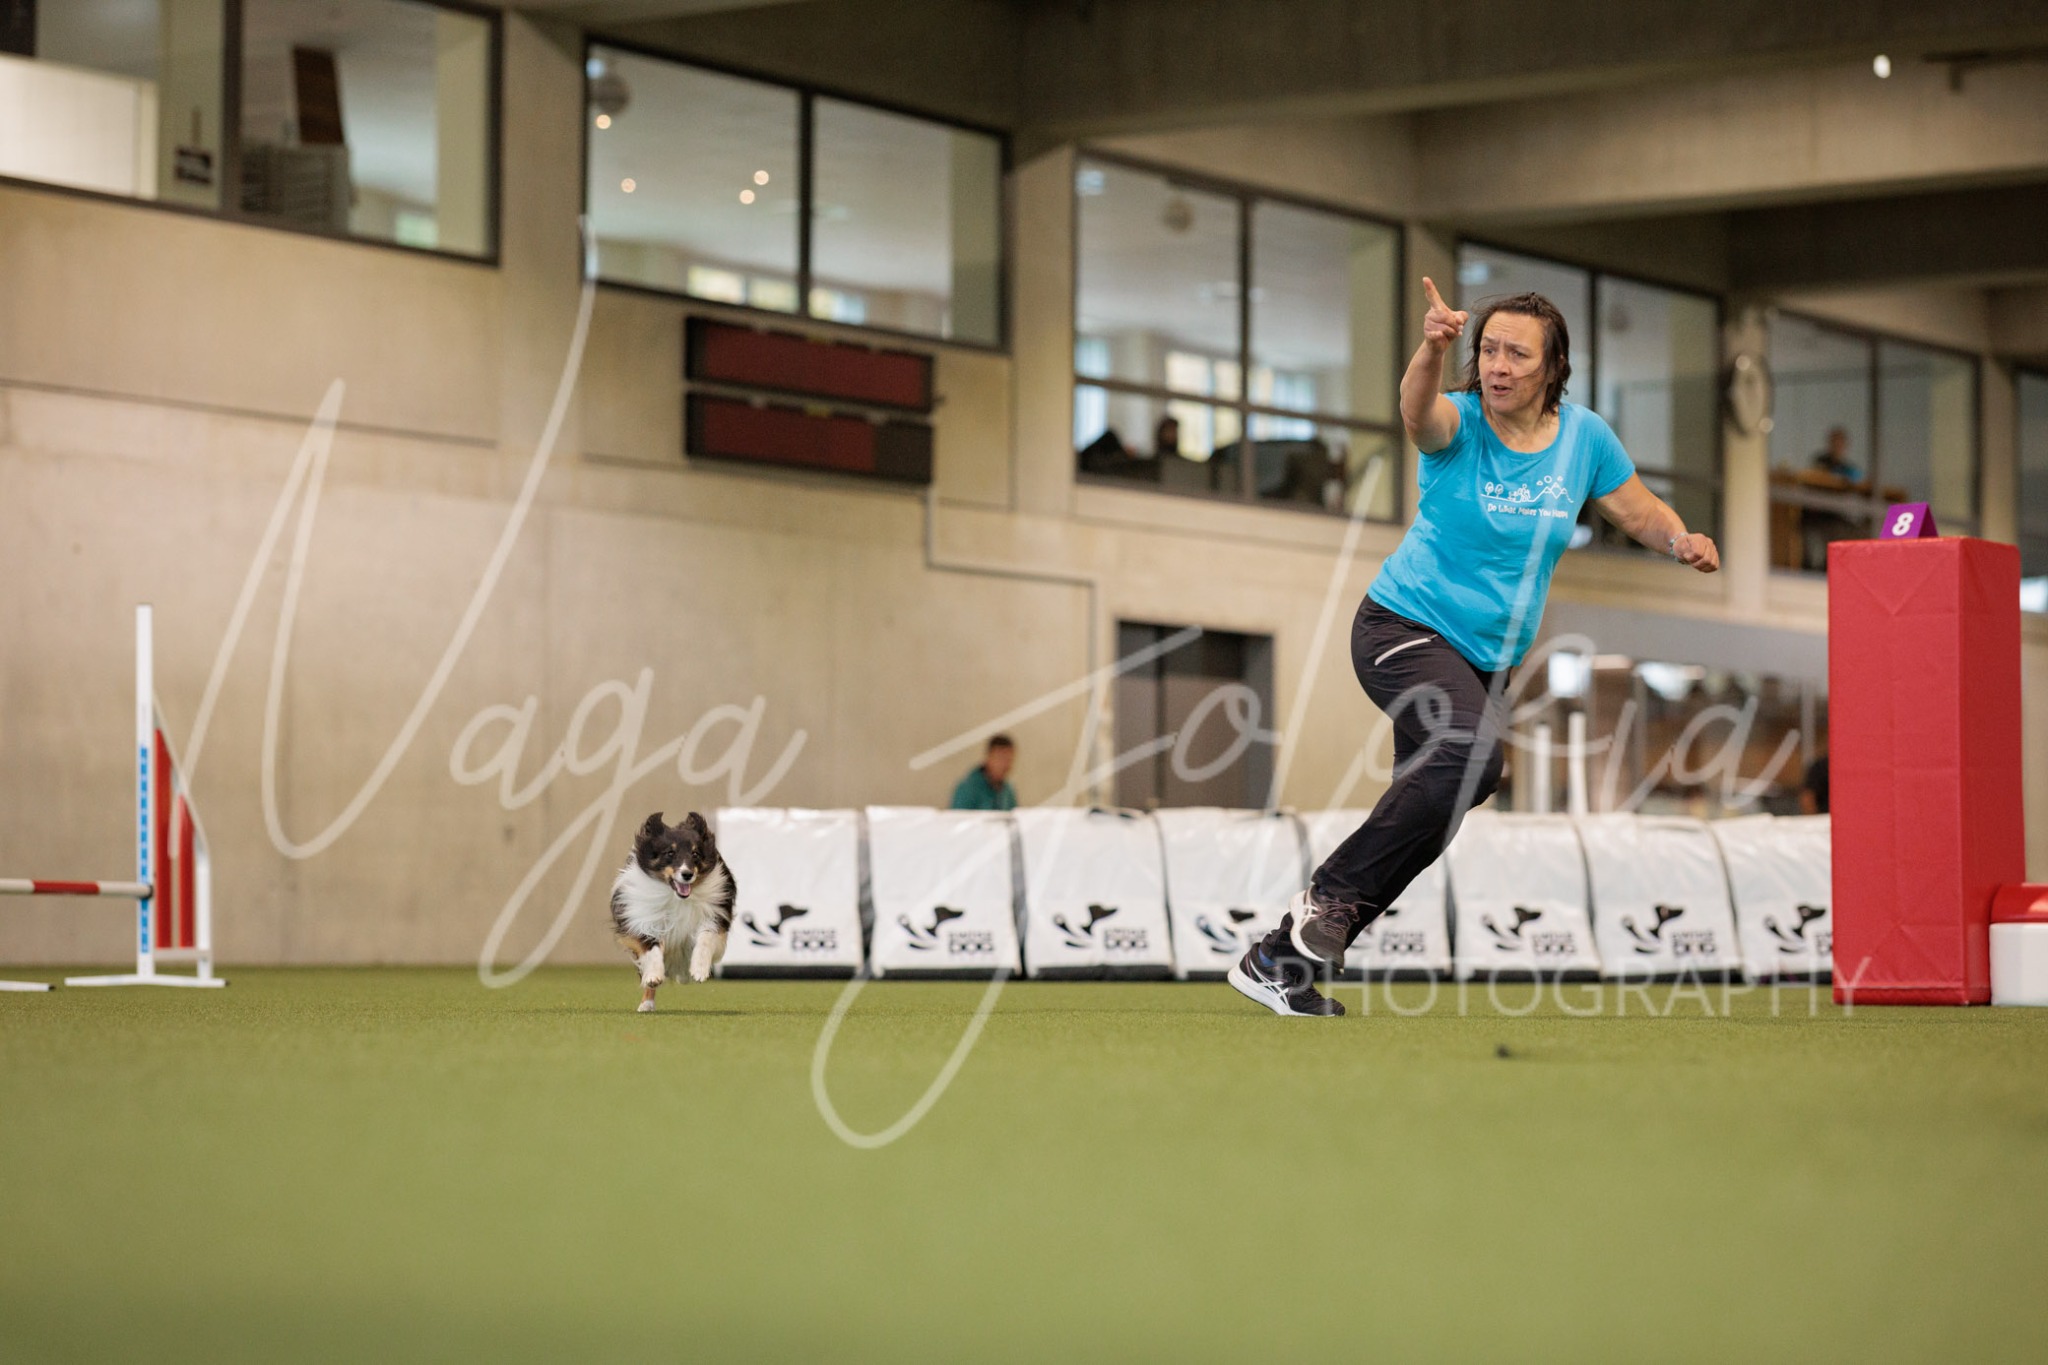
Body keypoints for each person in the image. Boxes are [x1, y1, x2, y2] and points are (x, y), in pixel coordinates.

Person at [1228, 279, 1721, 1017]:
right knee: (1473, 756)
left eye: (1517, 354)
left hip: (1488, 663)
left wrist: (1679, 539)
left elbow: (1638, 509)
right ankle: (1324, 900)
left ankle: (1279, 959)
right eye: (1488, 350)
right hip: (1403, 626)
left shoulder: (1584, 438)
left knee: (1439, 810)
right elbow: (1415, 412)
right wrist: (1432, 348)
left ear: (1553, 367)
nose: (1498, 365)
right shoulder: (1459, 422)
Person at [950, 735, 1018, 810]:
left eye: (1008, 760)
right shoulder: (967, 789)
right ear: (988, 758)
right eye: (1000, 759)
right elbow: (958, 816)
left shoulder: (1008, 790)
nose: (1004, 765)